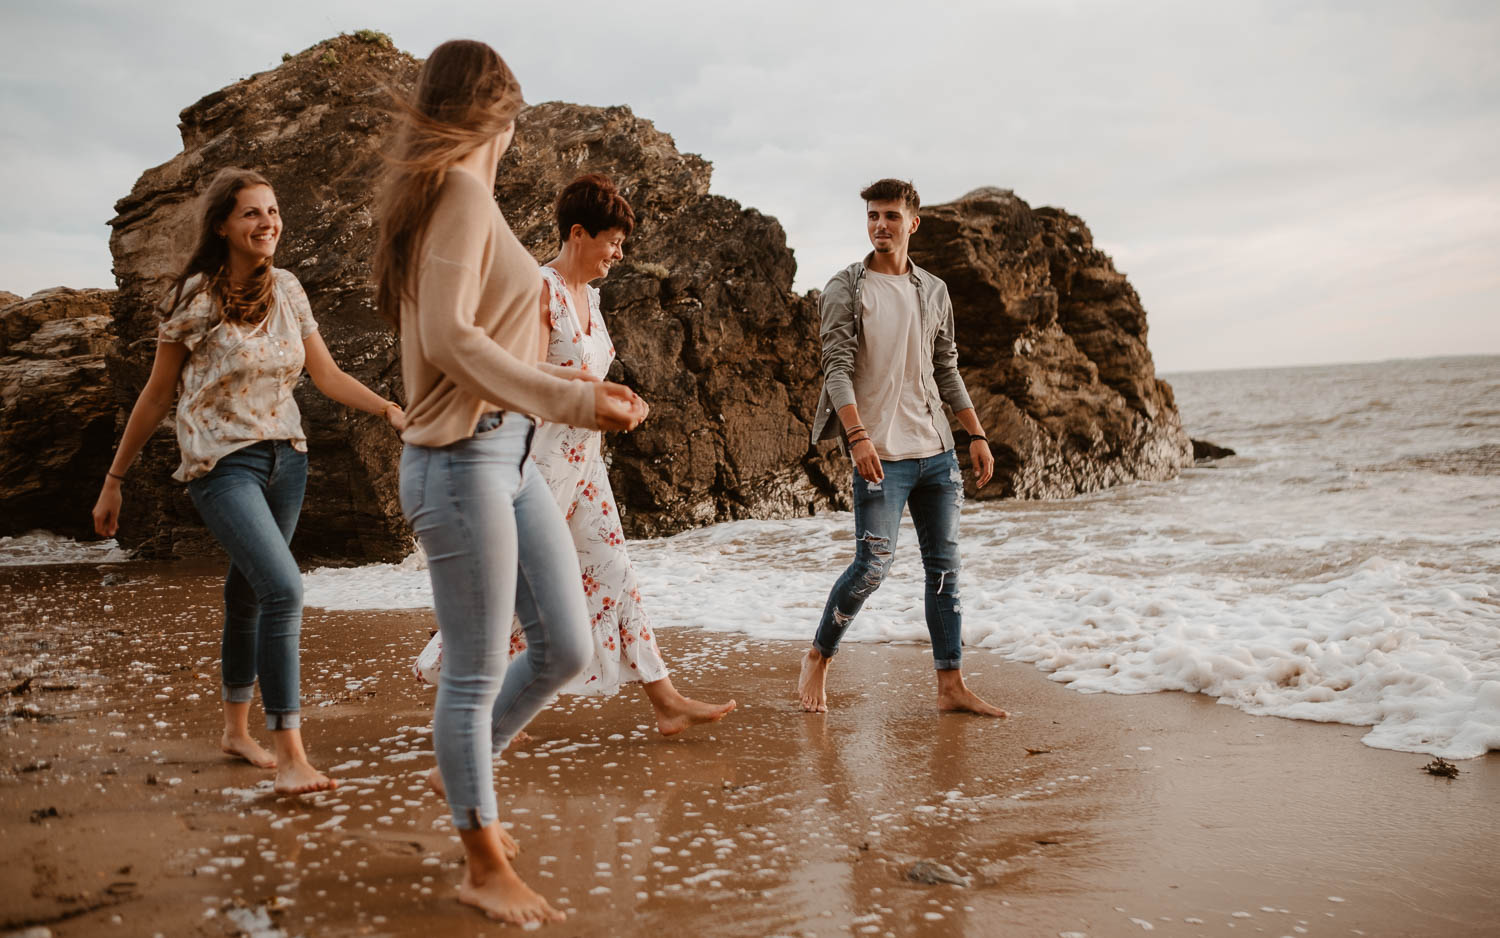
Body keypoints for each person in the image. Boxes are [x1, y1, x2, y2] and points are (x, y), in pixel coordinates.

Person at [373, 40, 646, 926]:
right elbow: (452, 339)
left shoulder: (457, 196)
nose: (516, 133)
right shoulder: (456, 188)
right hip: (461, 464)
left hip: (514, 458)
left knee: (564, 648)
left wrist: (573, 396)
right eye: (515, 116)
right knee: (480, 669)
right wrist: (572, 398)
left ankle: (467, 778)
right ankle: (480, 856)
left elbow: (479, 336)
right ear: (495, 110)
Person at [91, 166, 406, 795]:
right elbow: (156, 396)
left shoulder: (288, 289)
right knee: (284, 588)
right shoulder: (194, 297)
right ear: (222, 226)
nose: (268, 223)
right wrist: (114, 479)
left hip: (287, 459)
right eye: (252, 214)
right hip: (220, 465)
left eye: (273, 211)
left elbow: (327, 374)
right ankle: (291, 753)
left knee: (248, 593)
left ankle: (236, 731)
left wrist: (388, 408)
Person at [512, 173, 736, 733]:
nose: (619, 252)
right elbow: (520, 369)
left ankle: (665, 701)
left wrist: (618, 400)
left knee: (614, 570)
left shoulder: (594, 300)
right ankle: (464, 692)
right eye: (612, 240)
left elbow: (591, 381)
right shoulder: (543, 288)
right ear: (579, 233)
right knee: (515, 583)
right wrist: (590, 385)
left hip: (586, 459)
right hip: (540, 461)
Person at [798, 178, 1007, 717]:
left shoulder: (933, 290)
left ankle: (950, 685)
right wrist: (858, 436)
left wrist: (975, 434)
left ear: (913, 223)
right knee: (873, 565)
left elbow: (946, 369)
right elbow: (837, 369)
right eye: (873, 216)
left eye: (891, 216)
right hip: (879, 454)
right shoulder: (846, 287)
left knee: (944, 569)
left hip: (935, 449)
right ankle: (820, 654)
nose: (880, 225)